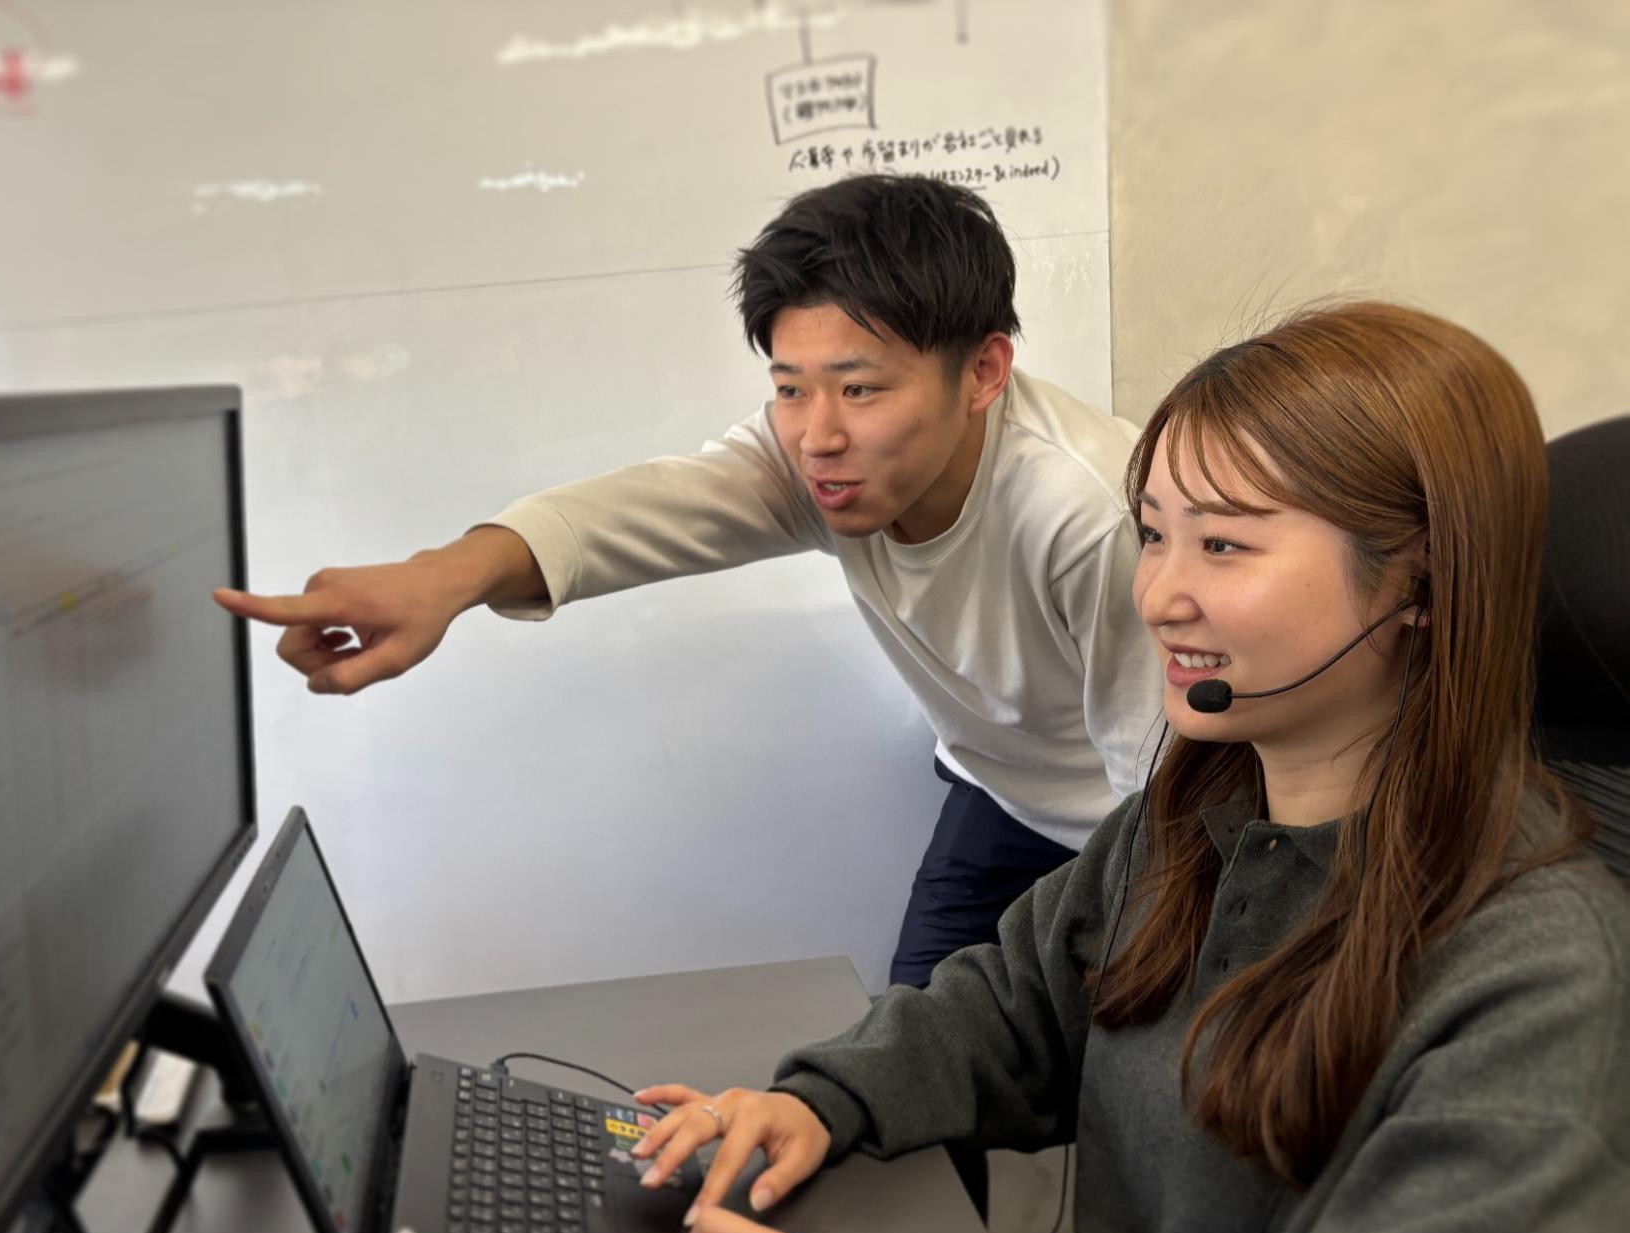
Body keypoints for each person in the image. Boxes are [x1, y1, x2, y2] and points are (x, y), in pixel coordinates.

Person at [626, 301, 1630, 1233]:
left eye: (1223, 545)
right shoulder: (1189, 819)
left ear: (1423, 581)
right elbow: (1010, 1007)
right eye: (1152, 534)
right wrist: (822, 1099)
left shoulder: (1537, 976)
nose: (1157, 596)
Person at [215, 175, 1162, 988]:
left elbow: (1165, 788)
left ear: (984, 371)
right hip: (997, 787)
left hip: (1132, 820)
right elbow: (643, 512)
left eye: (861, 388)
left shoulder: (1089, 514)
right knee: (914, 1057)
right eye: (789, 388)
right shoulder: (817, 461)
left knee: (1108, 1063)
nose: (817, 435)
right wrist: (443, 580)